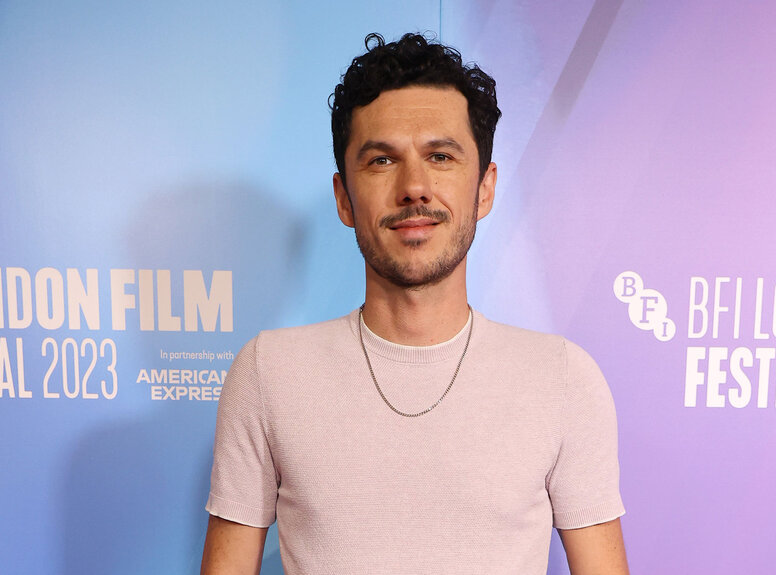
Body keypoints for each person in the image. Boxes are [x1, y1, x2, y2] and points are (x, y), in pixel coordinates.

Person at [201, 32, 628, 575]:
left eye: (442, 156)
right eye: (381, 160)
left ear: (485, 189)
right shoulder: (268, 373)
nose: (415, 187)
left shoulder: (563, 379)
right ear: (343, 198)